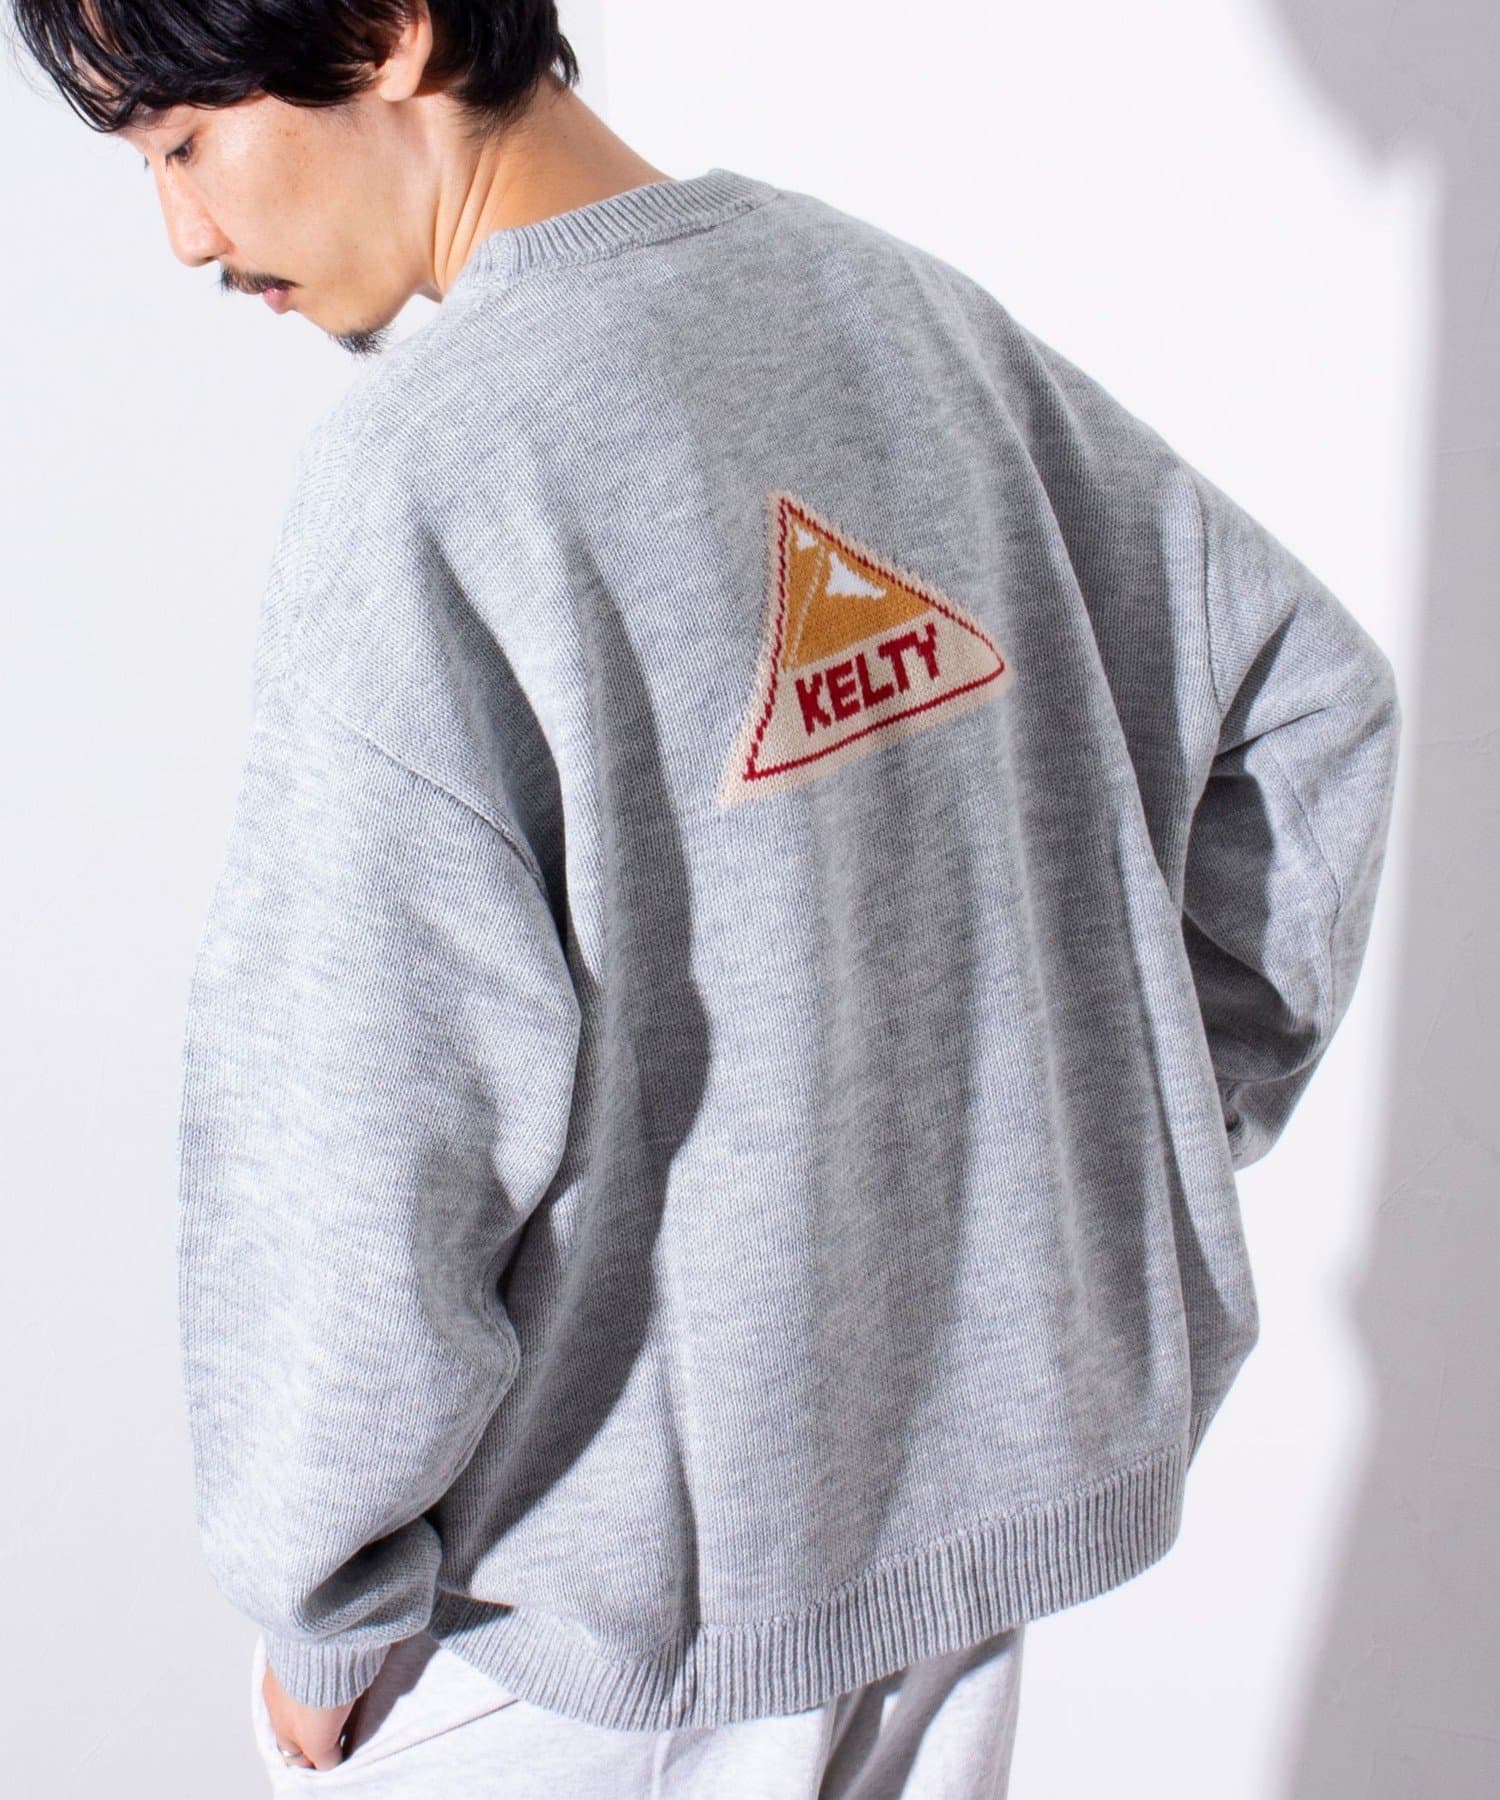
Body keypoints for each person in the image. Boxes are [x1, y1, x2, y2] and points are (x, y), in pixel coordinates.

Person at [10, 2, 1402, 1794]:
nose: (183, 233)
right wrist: (1091, 1172)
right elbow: (1311, 710)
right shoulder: (902, 320)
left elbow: (361, 1118)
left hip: (584, 1635)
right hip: (944, 1579)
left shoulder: (427, 475)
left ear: (390, 28)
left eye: (187, 142)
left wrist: (321, 1597)